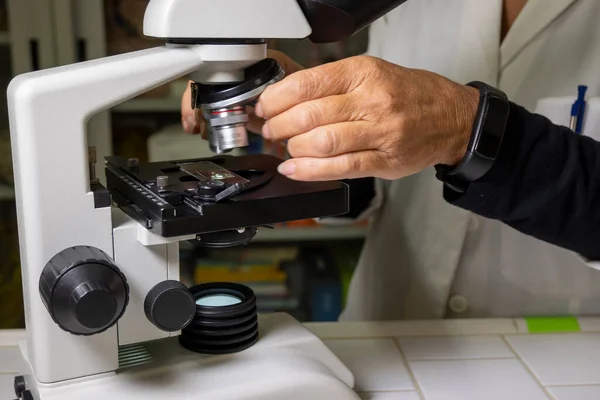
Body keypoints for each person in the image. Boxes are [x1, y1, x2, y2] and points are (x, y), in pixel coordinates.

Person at [182, 0, 600, 321]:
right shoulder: (398, 7)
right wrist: (321, 117)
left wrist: (467, 128)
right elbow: (389, 170)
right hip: (387, 323)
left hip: (554, 343)